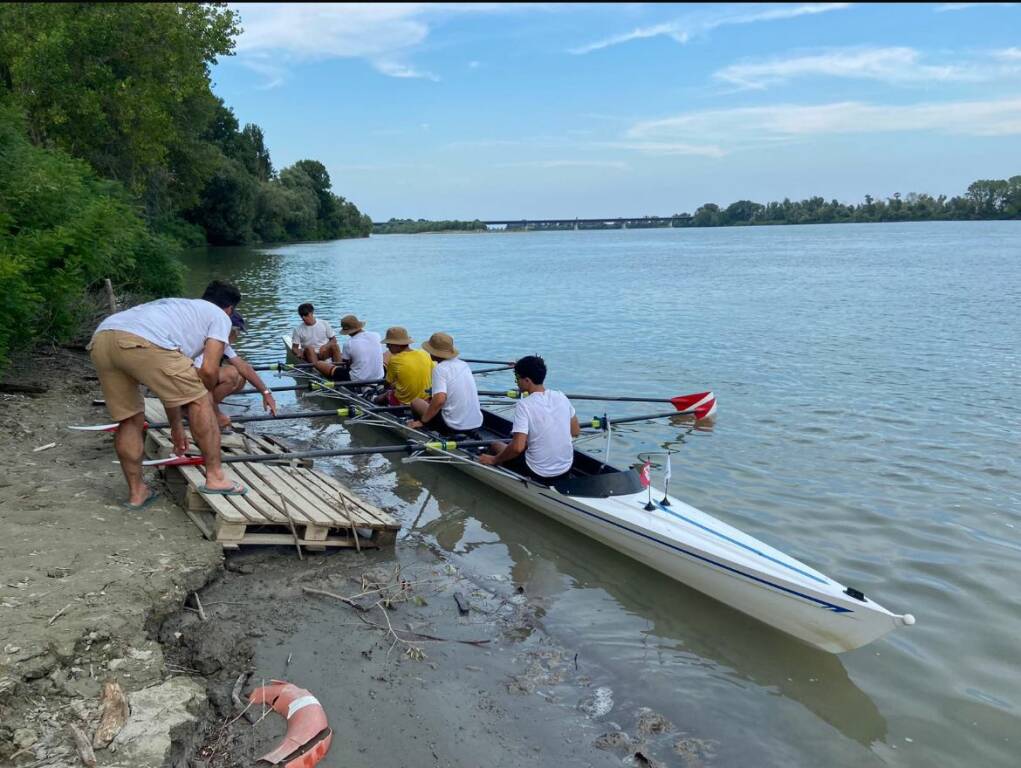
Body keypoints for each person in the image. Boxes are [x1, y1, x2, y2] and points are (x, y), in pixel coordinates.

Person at [88, 280, 248, 508]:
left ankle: (137, 493)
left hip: (102, 338)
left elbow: (170, 389)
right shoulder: (220, 317)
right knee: (200, 400)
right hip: (143, 341)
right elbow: (210, 370)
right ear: (230, 309)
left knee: (130, 418)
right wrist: (204, 395)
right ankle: (216, 478)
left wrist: (176, 426)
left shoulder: (180, 309)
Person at [479, 355, 579, 484]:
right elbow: (575, 431)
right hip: (566, 468)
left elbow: (517, 448)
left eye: (517, 378)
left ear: (527, 380)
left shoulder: (524, 405)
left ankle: (490, 462)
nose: (516, 382)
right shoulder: (561, 396)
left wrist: (494, 460)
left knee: (495, 445)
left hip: (538, 473)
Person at [194, 311, 277, 430]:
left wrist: (266, 393)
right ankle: (203, 410)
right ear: (229, 330)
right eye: (238, 331)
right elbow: (199, 379)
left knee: (242, 377)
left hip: (199, 382)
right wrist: (216, 415)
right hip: (187, 383)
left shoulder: (222, 344)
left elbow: (244, 367)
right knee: (231, 373)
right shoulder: (208, 341)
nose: (238, 336)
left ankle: (208, 408)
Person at [408, 332, 483, 435]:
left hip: (452, 427)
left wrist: (422, 421)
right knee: (431, 402)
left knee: (416, 402)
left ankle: (423, 428)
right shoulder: (464, 365)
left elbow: (439, 400)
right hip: (477, 424)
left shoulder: (440, 369)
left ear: (433, 352)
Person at [376, 326, 434, 406]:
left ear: (396, 345)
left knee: (382, 396)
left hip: (405, 402)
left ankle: (373, 400)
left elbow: (387, 384)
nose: (387, 347)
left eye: (388, 344)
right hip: (426, 400)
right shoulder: (424, 353)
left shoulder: (395, 360)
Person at [291, 303, 341, 367]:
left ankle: (339, 369)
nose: (303, 317)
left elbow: (333, 340)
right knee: (310, 348)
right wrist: (298, 353)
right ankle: (318, 369)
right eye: (301, 315)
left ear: (312, 313)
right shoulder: (297, 329)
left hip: (323, 352)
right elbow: (294, 348)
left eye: (306, 314)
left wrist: (325, 346)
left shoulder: (324, 323)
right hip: (309, 354)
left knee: (335, 346)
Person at [336, 314, 384, 382]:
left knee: (321, 364)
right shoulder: (376, 335)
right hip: (379, 377)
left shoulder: (348, 344)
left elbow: (346, 364)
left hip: (358, 380)